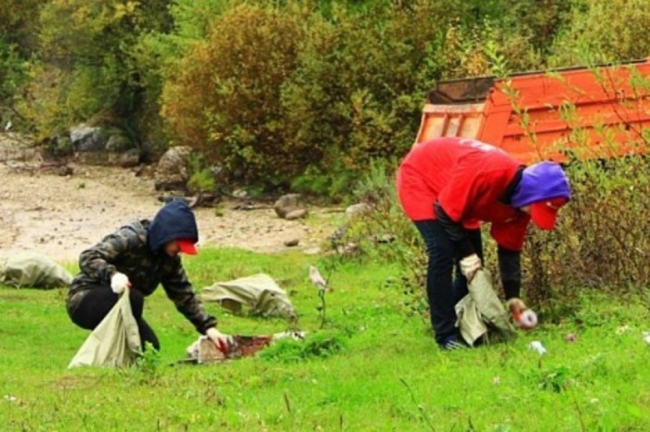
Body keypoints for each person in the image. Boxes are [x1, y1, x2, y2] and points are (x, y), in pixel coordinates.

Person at [396, 137, 571, 350]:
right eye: (537, 208)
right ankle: (445, 334)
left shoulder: (521, 207)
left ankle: (462, 324)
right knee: (442, 251)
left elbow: (509, 251)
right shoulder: (489, 172)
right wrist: (467, 254)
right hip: (422, 177)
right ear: (531, 194)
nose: (533, 215)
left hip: (459, 196)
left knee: (473, 266)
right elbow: (444, 212)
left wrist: (513, 299)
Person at [66, 200, 230, 352]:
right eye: (179, 245)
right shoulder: (131, 238)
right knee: (135, 298)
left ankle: (116, 367)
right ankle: (103, 353)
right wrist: (112, 275)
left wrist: (208, 328)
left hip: (125, 304)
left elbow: (183, 294)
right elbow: (88, 256)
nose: (180, 250)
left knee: (150, 348)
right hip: (84, 299)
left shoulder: (169, 259)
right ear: (167, 235)